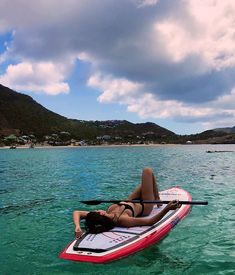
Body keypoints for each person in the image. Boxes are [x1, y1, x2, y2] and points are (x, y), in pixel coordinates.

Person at [73, 167, 181, 238]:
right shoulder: (122, 219)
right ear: (101, 214)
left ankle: (156, 196)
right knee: (147, 171)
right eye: (96, 210)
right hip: (145, 205)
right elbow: (150, 222)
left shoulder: (104, 216)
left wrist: (77, 226)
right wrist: (167, 209)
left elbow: (77, 212)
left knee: (146, 183)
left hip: (130, 200)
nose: (96, 209)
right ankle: (156, 198)